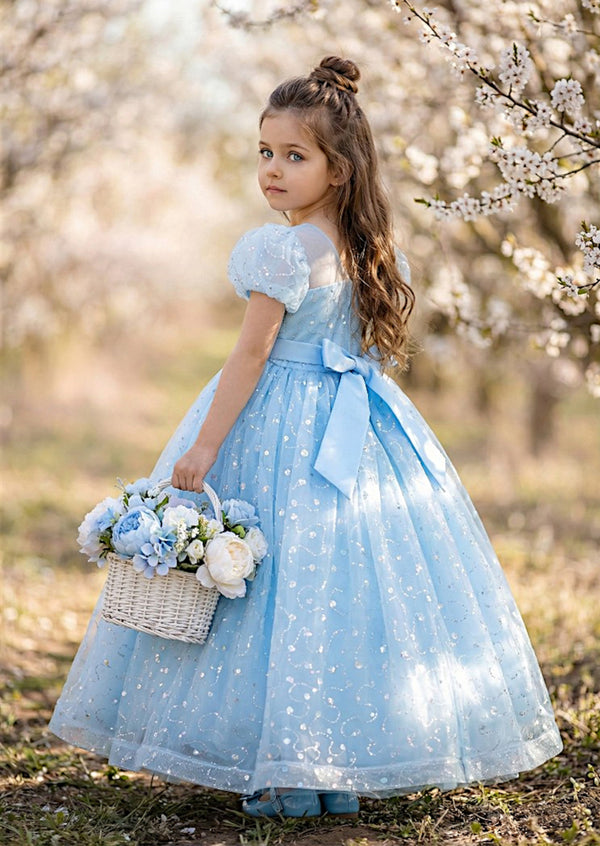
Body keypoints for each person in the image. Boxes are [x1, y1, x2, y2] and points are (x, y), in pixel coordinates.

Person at [50, 55, 562, 819]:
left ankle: (283, 762)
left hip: (281, 419)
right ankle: (327, 759)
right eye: (266, 152)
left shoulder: (283, 250)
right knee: (339, 586)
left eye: (296, 155)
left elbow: (251, 355)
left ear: (340, 168)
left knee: (275, 588)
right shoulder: (369, 251)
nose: (274, 170)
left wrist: (203, 448)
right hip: (359, 428)